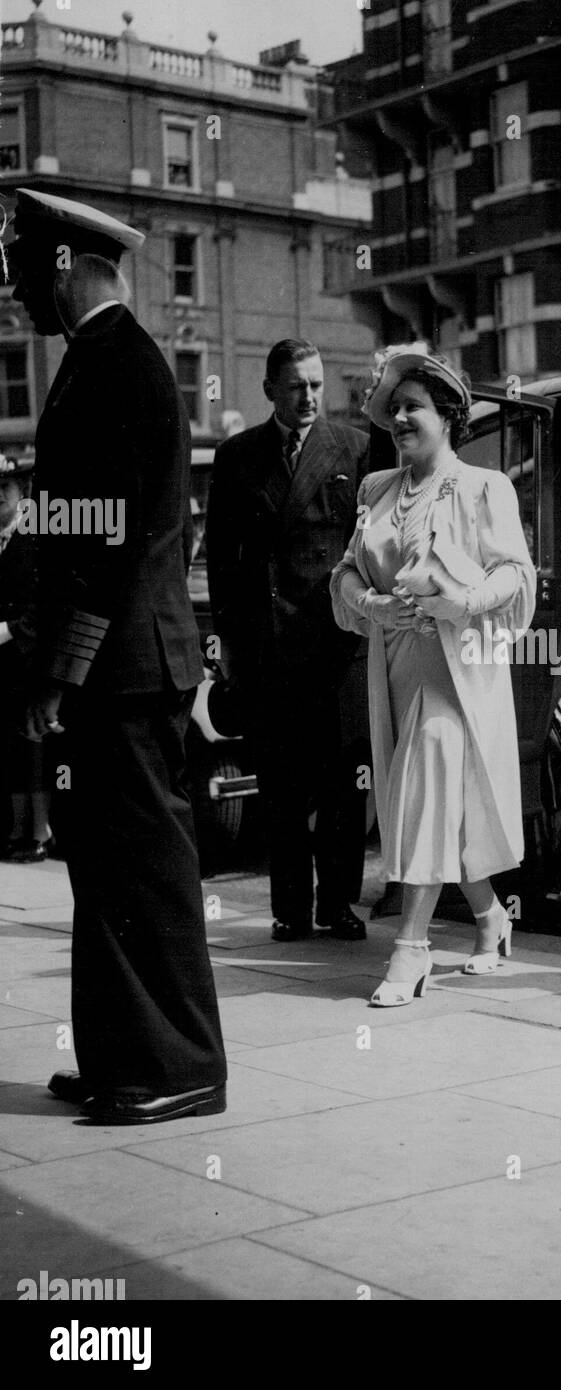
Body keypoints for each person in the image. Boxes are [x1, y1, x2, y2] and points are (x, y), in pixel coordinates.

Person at [6, 187, 226, 1121]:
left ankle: (178, 1070)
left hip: (126, 669)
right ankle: (119, 1058)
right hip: (122, 665)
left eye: (20, 264)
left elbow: (106, 547)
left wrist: (58, 671)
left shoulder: (115, 366)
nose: (12, 284)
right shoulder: (98, 361)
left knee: (144, 872)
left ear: (61, 262)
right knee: (104, 870)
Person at [330, 345, 535, 1005]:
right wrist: (373, 603)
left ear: (449, 414)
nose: (400, 420)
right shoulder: (374, 490)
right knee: (436, 801)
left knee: (431, 771)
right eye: (395, 410)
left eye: (413, 408)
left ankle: (411, 946)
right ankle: (491, 917)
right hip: (396, 666)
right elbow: (347, 572)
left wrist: (463, 601)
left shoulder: (485, 488)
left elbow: (516, 575)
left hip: (461, 667)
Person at [206, 340, 370, 943]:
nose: (308, 397)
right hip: (268, 649)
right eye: (296, 386)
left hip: (335, 645)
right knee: (280, 788)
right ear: (270, 390)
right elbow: (223, 562)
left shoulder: (354, 447)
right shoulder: (238, 456)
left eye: (316, 385)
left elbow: (367, 549)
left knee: (343, 786)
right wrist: (225, 644)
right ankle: (292, 910)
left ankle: (339, 905)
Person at [0, 453, 53, 861]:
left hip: (29, 661)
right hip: (3, 667)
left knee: (34, 750)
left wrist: (9, 629)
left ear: (23, 496)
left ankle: (39, 832)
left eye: (5, 490)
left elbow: (45, 606)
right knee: (9, 751)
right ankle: (17, 829)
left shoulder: (34, 541)